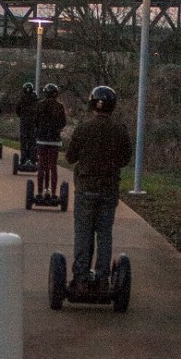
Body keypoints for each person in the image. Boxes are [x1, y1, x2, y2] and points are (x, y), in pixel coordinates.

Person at [65, 85, 132, 292]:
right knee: (104, 234)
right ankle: (103, 279)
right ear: (113, 106)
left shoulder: (83, 129)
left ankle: (81, 278)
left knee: (83, 233)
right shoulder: (120, 131)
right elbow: (124, 160)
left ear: (92, 104)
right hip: (109, 189)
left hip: (86, 188)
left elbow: (70, 157)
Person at [34, 82, 67, 197]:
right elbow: (63, 123)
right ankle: (53, 193)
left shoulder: (39, 105)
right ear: (56, 94)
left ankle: (39, 192)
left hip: (42, 139)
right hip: (54, 140)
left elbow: (35, 121)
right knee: (53, 166)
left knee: (42, 166)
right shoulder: (60, 106)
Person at [15, 81, 38, 166]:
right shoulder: (36, 100)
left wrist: (22, 116)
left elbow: (17, 111)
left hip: (24, 123)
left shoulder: (21, 100)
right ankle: (32, 160)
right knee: (33, 142)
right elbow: (39, 112)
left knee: (24, 142)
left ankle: (23, 160)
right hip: (34, 124)